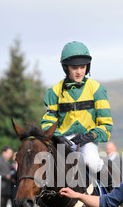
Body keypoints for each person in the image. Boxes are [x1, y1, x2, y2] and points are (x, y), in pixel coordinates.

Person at [41, 41, 114, 187]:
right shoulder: (54, 92)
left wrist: (89, 136)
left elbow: (106, 125)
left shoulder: (97, 89)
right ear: (66, 68)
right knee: (43, 165)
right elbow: (47, 123)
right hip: (62, 140)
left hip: (87, 140)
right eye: (75, 68)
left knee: (91, 163)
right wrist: (57, 136)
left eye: (82, 67)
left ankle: (110, 193)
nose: (79, 71)